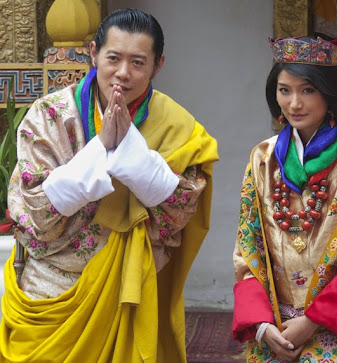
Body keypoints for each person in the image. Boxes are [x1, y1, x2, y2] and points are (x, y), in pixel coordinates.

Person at [0, 8, 218, 363]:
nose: (123, 73)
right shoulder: (49, 115)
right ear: (93, 53)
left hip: (126, 286)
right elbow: (36, 210)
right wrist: (101, 147)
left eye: (138, 62)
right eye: (113, 58)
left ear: (158, 65)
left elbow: (178, 212)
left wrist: (130, 152)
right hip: (51, 282)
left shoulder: (177, 125)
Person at [232, 36, 337, 363]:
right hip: (274, 322)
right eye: (284, 90)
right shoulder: (262, 159)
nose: (294, 103)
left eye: (307, 90)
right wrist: (263, 326)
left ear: (329, 93)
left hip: (332, 322)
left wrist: (311, 321)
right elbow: (247, 243)